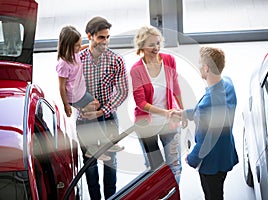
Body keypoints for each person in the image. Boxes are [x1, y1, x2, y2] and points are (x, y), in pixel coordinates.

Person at [171, 46, 239, 200]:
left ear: (206, 68)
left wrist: (192, 158)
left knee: (212, 196)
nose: (199, 66)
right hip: (225, 153)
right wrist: (184, 113)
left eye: (200, 64)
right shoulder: (228, 83)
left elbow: (205, 142)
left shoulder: (207, 105)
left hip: (211, 164)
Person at [77, 16, 129, 200]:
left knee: (110, 162)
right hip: (84, 120)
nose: (105, 42)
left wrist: (102, 111)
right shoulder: (78, 60)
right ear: (89, 36)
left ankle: (110, 198)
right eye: (101, 37)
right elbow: (68, 88)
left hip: (108, 118)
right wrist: (83, 108)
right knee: (89, 164)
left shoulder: (116, 61)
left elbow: (123, 92)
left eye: (107, 37)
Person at [130, 26, 186, 184]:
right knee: (154, 169)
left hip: (170, 122)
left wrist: (181, 111)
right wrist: (164, 112)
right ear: (141, 47)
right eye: (151, 45)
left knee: (175, 165)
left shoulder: (169, 60)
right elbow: (140, 103)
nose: (156, 48)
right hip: (147, 126)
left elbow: (175, 86)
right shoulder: (136, 70)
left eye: (157, 43)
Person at [56, 25, 120, 162]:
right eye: (77, 46)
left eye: (80, 45)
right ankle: (95, 147)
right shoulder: (63, 64)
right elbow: (61, 87)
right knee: (92, 113)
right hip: (74, 97)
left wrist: (92, 44)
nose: (80, 48)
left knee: (95, 108)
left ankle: (100, 145)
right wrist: (66, 105)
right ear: (67, 46)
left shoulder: (74, 54)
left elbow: (85, 47)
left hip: (81, 92)